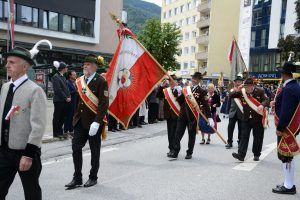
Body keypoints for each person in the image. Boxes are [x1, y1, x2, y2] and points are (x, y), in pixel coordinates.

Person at [0, 46, 47, 200]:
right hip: (4, 151)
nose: (7, 65)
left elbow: (38, 126)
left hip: (25, 152)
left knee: (31, 192)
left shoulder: (35, 90)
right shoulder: (5, 87)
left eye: (12, 62)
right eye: (7, 62)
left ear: (25, 66)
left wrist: (28, 154)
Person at [65, 54, 109, 189]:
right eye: (84, 64)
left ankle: (93, 177)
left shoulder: (101, 81)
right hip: (80, 122)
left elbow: (103, 103)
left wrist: (97, 122)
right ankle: (77, 178)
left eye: (88, 64)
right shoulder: (79, 80)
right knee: (75, 148)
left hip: (93, 123)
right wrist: (74, 118)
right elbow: (78, 102)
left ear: (95, 66)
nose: (85, 66)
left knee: (95, 151)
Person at [168, 72, 213, 159]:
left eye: (196, 79)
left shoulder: (201, 91)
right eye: (193, 78)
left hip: (192, 116)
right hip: (182, 115)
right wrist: (178, 93)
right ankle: (175, 151)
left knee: (191, 135)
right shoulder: (186, 89)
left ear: (199, 80)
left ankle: (189, 152)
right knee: (177, 134)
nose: (193, 80)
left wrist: (209, 117)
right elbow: (180, 101)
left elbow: (206, 105)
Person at [271, 62, 300, 195]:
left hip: (286, 126)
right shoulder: (295, 86)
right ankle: (289, 183)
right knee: (288, 155)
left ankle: (289, 186)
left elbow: (287, 111)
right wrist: (275, 103)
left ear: (283, 75)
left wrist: (280, 127)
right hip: (292, 126)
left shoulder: (288, 89)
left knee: (285, 155)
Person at [230, 78, 269, 161]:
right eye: (246, 86)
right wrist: (238, 89)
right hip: (246, 118)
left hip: (258, 119)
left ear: (252, 86)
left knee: (258, 137)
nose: (247, 88)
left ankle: (256, 154)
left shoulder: (259, 91)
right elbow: (231, 95)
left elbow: (266, 99)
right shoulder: (242, 91)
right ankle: (241, 154)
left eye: (249, 86)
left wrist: (262, 105)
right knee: (244, 137)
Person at [157, 75, 182, 156]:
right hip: (168, 115)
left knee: (175, 133)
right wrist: (161, 86)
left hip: (177, 114)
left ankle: (175, 150)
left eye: (172, 81)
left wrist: (179, 93)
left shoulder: (180, 90)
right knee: (170, 133)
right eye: (170, 81)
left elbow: (182, 102)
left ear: (176, 82)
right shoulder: (166, 90)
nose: (171, 82)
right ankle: (171, 148)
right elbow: (159, 95)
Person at [52, 61, 70, 139]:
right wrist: (66, 97)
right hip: (59, 100)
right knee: (57, 117)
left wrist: (69, 96)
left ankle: (60, 132)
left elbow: (66, 88)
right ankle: (56, 133)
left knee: (62, 117)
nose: (67, 68)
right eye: (66, 67)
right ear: (63, 68)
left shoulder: (62, 76)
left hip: (65, 100)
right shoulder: (56, 77)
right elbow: (58, 90)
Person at [225, 75, 244, 149]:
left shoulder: (244, 90)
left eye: (239, 81)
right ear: (235, 82)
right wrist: (227, 111)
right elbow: (229, 101)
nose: (238, 83)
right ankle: (229, 142)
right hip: (232, 112)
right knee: (230, 128)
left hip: (241, 112)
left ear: (242, 82)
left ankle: (240, 142)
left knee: (241, 128)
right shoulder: (232, 90)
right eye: (237, 82)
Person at [64, 70, 77, 136]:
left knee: (72, 117)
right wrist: (76, 91)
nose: (75, 76)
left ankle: (71, 130)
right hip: (69, 103)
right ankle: (66, 131)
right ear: (70, 76)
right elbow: (67, 92)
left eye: (75, 74)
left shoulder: (74, 82)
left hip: (74, 103)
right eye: (74, 75)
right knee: (68, 117)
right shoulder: (67, 82)